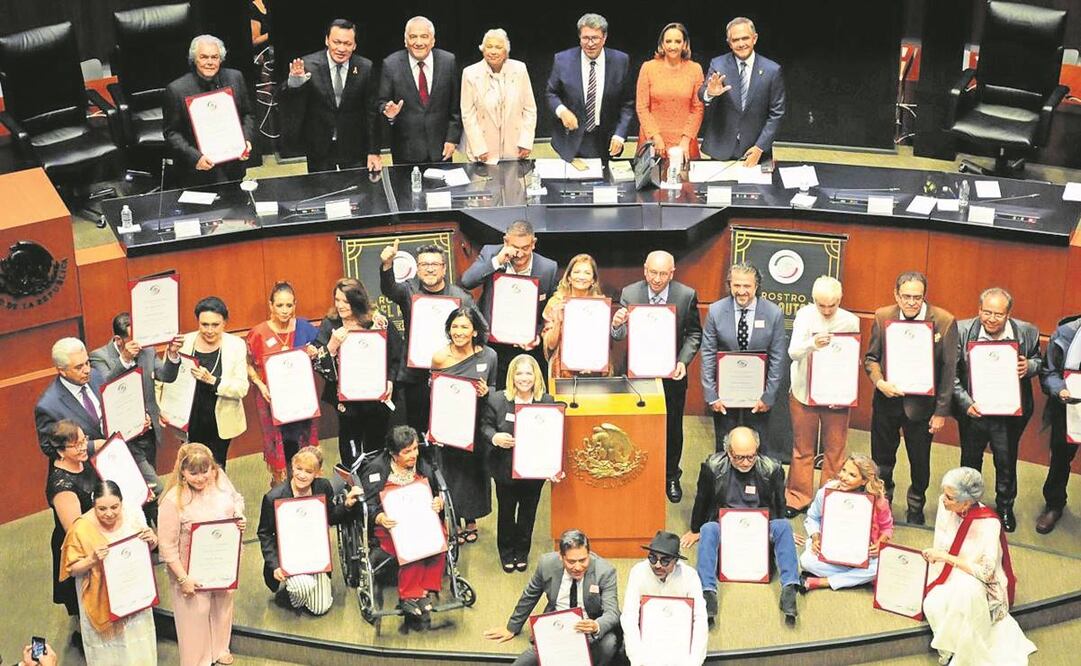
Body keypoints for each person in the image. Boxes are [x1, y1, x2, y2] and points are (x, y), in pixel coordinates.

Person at [679, 426, 800, 625]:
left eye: (751, 457)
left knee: (784, 528)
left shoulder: (772, 468)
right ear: (728, 452)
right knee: (707, 530)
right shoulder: (712, 467)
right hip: (726, 526)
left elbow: (779, 503)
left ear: (757, 450)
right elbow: (702, 499)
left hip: (759, 528)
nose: (745, 462)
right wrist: (695, 529)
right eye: (739, 457)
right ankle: (707, 592)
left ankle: (790, 588)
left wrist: (781, 532)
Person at [864, 271, 958, 525]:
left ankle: (916, 504)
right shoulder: (883, 316)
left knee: (920, 463)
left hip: (923, 408)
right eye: (906, 297)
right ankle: (884, 503)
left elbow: (949, 372)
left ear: (924, 296)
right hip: (886, 402)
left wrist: (941, 412)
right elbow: (871, 358)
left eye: (917, 297)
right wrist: (879, 381)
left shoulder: (944, 321)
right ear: (896, 295)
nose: (911, 302)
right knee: (882, 461)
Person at [611, 250, 702, 503]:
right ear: (644, 270)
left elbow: (694, 334)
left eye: (663, 273)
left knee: (672, 427)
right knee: (636, 426)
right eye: (653, 272)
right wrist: (617, 324)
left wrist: (683, 361)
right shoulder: (630, 293)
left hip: (671, 375)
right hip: (637, 374)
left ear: (672, 273)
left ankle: (671, 475)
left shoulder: (686, 295)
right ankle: (636, 473)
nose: (658, 279)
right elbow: (618, 336)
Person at [922, 467, 1036, 665]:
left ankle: (960, 651)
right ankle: (948, 647)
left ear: (966, 502)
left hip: (977, 579)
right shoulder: (945, 504)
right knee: (932, 603)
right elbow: (941, 540)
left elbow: (986, 572)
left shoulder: (989, 523)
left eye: (949, 497)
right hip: (949, 569)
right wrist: (937, 559)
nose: (943, 499)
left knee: (965, 598)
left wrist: (945, 558)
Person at [952, 287, 1042, 533]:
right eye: (986, 312)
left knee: (1006, 461)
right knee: (970, 460)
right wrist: (965, 403)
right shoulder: (961, 330)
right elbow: (951, 374)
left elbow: (1040, 361)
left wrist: (1030, 366)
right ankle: (967, 504)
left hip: (1008, 413)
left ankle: (1004, 507)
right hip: (974, 410)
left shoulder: (1027, 331)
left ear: (1008, 314)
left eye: (998, 314)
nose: (991, 319)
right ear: (979, 310)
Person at [158, 443, 246, 666]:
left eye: (204, 471)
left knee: (223, 607)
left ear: (212, 468)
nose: (200, 478)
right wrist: (182, 578)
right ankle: (197, 660)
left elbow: (236, 499)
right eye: (193, 473)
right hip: (189, 570)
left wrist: (238, 516)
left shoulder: (219, 479)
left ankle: (219, 648)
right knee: (194, 618)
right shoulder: (172, 500)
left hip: (222, 562)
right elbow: (167, 548)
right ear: (183, 473)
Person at [379, 239, 478, 435]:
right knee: (419, 429)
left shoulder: (462, 297)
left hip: (452, 373)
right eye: (424, 265)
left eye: (435, 265)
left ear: (444, 268)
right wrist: (387, 265)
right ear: (417, 268)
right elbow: (389, 288)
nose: (430, 269)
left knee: (450, 428)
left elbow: (480, 330)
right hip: (417, 377)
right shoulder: (408, 291)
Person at [89, 313, 184, 513]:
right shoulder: (99, 356)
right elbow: (104, 385)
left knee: (147, 490)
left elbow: (165, 375)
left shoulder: (147, 351)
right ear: (118, 340)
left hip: (148, 432)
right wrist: (124, 358)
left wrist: (173, 354)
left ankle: (149, 528)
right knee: (155, 488)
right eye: (133, 340)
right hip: (123, 439)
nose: (139, 345)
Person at [483, 529, 620, 666]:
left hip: (589, 633)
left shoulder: (605, 572)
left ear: (588, 554)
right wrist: (512, 627)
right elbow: (530, 596)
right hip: (557, 629)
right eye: (571, 562)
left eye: (583, 560)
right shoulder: (546, 564)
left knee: (609, 644)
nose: (578, 567)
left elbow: (612, 612)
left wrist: (596, 625)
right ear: (561, 557)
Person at [784, 276, 860, 516]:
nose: (827, 310)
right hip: (804, 392)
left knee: (835, 451)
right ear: (813, 300)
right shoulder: (804, 315)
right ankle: (798, 497)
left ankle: (829, 499)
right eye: (821, 305)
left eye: (832, 305)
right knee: (802, 448)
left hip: (836, 394)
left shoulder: (850, 320)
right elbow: (793, 353)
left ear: (840, 299)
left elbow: (852, 359)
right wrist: (811, 344)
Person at [60, 480, 158, 662]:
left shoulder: (132, 515)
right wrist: (91, 560)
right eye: (102, 509)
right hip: (100, 600)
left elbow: (141, 550)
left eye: (115, 507)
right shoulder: (80, 528)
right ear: (93, 504)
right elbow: (71, 569)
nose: (109, 514)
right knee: (109, 654)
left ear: (122, 502)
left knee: (138, 646)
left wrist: (152, 540)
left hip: (132, 593)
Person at [257, 446, 362, 615]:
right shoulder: (273, 497)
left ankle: (304, 588)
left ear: (318, 473)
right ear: (292, 466)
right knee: (303, 587)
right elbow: (265, 533)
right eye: (299, 469)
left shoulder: (323, 486)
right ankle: (296, 590)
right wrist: (275, 565)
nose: (302, 475)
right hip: (289, 555)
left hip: (315, 553)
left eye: (309, 471)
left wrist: (347, 504)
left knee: (320, 608)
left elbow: (331, 517)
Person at [358, 426, 446, 624]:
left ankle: (424, 590)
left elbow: (436, 491)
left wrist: (438, 501)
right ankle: (408, 595)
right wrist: (379, 517)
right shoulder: (376, 470)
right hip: (391, 524)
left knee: (440, 539)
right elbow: (368, 503)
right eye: (407, 452)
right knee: (413, 543)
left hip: (421, 517)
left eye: (415, 448)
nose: (414, 454)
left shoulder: (423, 463)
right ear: (392, 453)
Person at [312, 277, 402, 469]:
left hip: (376, 398)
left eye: (346, 301)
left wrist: (390, 380)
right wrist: (332, 346)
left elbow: (396, 354)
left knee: (376, 447)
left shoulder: (377, 321)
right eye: (337, 300)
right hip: (347, 402)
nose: (340, 305)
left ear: (358, 300)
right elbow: (319, 365)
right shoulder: (330, 324)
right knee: (349, 447)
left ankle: (375, 483)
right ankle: (354, 488)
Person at [481, 354, 559, 572]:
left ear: (536, 376)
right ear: (511, 376)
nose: (524, 378)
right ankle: (506, 551)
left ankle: (521, 551)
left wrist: (553, 466)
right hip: (504, 469)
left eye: (528, 373)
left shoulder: (547, 401)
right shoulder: (497, 400)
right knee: (506, 512)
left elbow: (554, 437)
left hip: (534, 472)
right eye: (519, 373)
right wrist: (495, 438)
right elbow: (485, 426)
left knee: (528, 513)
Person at [460, 219, 559, 388]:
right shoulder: (492, 253)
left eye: (525, 248)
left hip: (528, 347)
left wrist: (537, 334)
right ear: (506, 241)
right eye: (515, 248)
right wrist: (497, 260)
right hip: (494, 345)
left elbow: (550, 311)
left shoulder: (547, 268)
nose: (519, 254)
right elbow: (467, 281)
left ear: (533, 243)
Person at [699, 262, 788, 451]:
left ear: (756, 286)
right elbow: (707, 353)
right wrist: (712, 395)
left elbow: (777, 358)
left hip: (758, 396)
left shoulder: (773, 313)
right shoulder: (716, 311)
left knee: (757, 445)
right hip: (724, 395)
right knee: (724, 445)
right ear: (729, 285)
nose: (741, 291)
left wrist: (768, 396)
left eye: (747, 286)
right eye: (736, 285)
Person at [431, 307, 498, 543]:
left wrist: (485, 391)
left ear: (474, 331)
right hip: (449, 425)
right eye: (455, 327)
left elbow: (494, 389)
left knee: (473, 474)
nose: (459, 332)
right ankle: (454, 519)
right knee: (451, 473)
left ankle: (471, 520)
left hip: (477, 425)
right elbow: (434, 392)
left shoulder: (489, 355)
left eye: (464, 327)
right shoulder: (440, 357)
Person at [280, 19, 381, 173]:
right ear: (327, 40)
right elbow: (288, 102)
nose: (341, 48)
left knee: (357, 192)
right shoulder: (308, 65)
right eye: (337, 42)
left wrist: (374, 151)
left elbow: (371, 112)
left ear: (354, 45)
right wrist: (294, 83)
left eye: (347, 44)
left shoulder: (365, 67)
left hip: (354, 146)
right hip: (318, 146)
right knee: (321, 192)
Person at [245, 282, 321, 485]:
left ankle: (305, 483)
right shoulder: (258, 333)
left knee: (301, 444)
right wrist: (260, 385)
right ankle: (283, 487)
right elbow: (247, 364)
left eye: (289, 305)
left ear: (295, 304)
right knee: (282, 446)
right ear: (270, 305)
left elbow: (322, 350)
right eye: (280, 305)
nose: (285, 310)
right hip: (272, 401)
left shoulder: (305, 328)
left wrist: (315, 352)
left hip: (301, 400)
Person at [161, 296, 250, 468]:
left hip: (220, 420)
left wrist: (212, 380)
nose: (209, 330)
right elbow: (164, 379)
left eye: (215, 325)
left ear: (225, 323)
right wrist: (162, 408)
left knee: (217, 468)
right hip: (189, 418)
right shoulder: (183, 343)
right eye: (204, 324)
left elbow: (241, 389)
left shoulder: (236, 345)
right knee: (191, 467)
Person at [163, 35, 255, 186]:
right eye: (204, 57)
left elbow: (248, 115)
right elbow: (171, 133)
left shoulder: (236, 78)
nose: (210, 62)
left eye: (215, 57)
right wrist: (195, 157)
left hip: (234, 164)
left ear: (221, 59)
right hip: (198, 170)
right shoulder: (176, 89)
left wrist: (246, 140)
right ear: (195, 59)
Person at [796, 454, 893, 592]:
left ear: (864, 480)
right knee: (806, 561)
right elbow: (812, 517)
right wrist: (816, 538)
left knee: (881, 566)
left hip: (862, 555)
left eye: (852, 475)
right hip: (830, 550)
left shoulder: (878, 500)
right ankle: (853, 579)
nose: (843, 476)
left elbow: (887, 527)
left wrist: (879, 544)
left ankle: (824, 581)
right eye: (843, 470)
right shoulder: (827, 491)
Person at [545, 13, 635, 162]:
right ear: (579, 37)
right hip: (571, 137)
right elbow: (551, 93)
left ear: (604, 38)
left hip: (606, 138)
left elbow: (627, 104)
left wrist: (620, 135)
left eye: (595, 38)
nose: (590, 43)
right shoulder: (562, 60)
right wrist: (562, 111)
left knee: (604, 183)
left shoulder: (621, 61)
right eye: (585, 38)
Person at [698, 17, 785, 166]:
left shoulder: (772, 70)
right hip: (721, 149)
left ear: (754, 38)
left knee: (755, 190)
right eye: (735, 40)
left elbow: (777, 114)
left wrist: (759, 148)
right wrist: (710, 93)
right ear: (729, 43)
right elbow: (702, 94)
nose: (741, 44)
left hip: (755, 151)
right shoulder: (718, 64)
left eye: (745, 38)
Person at [377, 16, 462, 164]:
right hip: (406, 152)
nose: (418, 42)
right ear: (405, 41)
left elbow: (456, 107)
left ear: (433, 40)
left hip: (442, 151)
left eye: (424, 37)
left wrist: (452, 139)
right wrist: (388, 111)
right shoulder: (391, 64)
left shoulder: (448, 62)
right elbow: (381, 102)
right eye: (413, 37)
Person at [620, 530, 707, 666]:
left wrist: (694, 662)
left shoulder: (690, 576)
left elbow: (700, 619)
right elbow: (629, 616)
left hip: (679, 639)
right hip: (646, 638)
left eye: (665, 561)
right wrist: (637, 659)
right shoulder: (638, 572)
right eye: (652, 558)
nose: (657, 565)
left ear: (676, 560)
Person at [43, 421, 98, 621]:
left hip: (96, 534)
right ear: (60, 451)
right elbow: (76, 530)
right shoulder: (62, 486)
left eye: (84, 440)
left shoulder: (82, 460)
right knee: (87, 605)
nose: (84, 447)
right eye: (76, 445)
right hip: (79, 547)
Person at [460, 28, 536, 164]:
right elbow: (468, 114)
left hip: (515, 148)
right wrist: (479, 147)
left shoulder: (520, 69)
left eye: (498, 47)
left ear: (506, 51)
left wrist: (525, 141)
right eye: (489, 46)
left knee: (515, 184)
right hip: (483, 150)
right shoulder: (470, 73)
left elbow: (530, 109)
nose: (493, 51)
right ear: (483, 49)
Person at [1035, 311, 1081, 534]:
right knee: (1061, 458)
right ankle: (1054, 504)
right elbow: (1049, 371)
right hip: (1069, 406)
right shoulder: (1067, 332)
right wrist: (1059, 389)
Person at [635, 22, 704, 160]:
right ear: (662, 44)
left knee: (685, 181)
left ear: (685, 44)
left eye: (678, 41)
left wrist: (685, 141)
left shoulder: (695, 69)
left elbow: (698, 108)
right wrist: (656, 137)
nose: (673, 46)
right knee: (652, 181)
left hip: (685, 143)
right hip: (653, 141)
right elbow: (642, 107)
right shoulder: (648, 68)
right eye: (668, 41)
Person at [541, 253, 612, 384]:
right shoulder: (555, 302)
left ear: (593, 280)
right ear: (568, 277)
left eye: (587, 273)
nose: (581, 277)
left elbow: (602, 343)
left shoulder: (600, 305)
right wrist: (558, 320)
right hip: (561, 373)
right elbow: (550, 345)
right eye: (577, 272)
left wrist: (591, 362)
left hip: (593, 371)